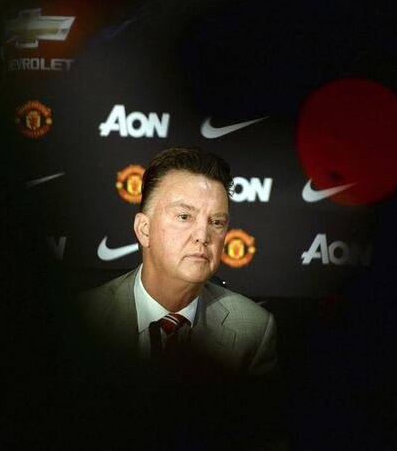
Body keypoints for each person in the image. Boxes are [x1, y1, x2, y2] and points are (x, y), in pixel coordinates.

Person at [78, 146, 285, 450]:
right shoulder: (83, 317)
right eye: (185, 216)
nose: (203, 235)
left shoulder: (253, 330)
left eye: (217, 222)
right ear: (144, 230)